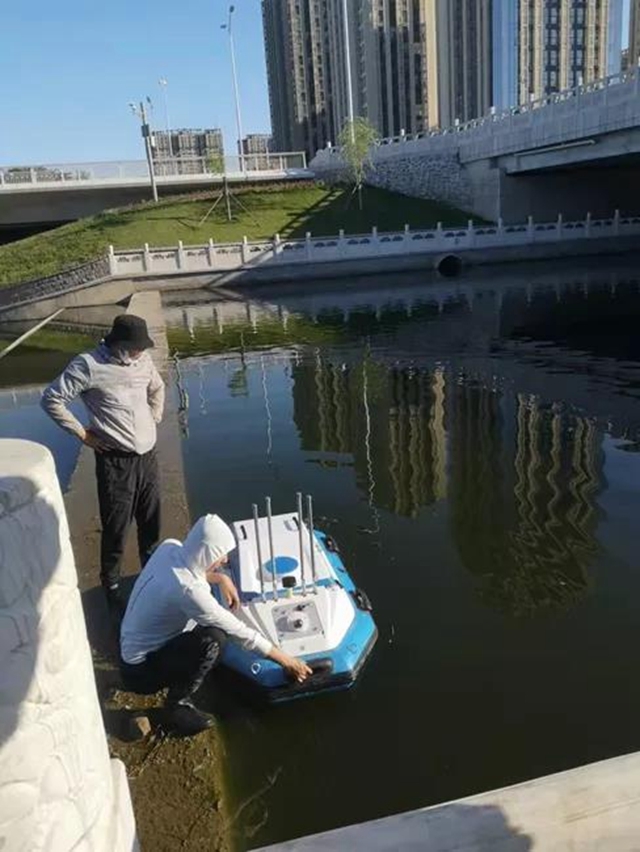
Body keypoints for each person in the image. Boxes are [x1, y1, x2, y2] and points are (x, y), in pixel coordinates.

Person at [119, 514, 312, 735]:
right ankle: (176, 705)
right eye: (221, 554)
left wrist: (221, 578)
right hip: (141, 672)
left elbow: (188, 571)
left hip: (129, 649)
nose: (226, 560)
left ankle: (178, 684)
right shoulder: (189, 591)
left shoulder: (169, 547)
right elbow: (240, 632)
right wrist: (287, 661)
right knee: (214, 640)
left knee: (205, 631)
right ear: (207, 553)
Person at [41, 314, 164, 612]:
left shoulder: (144, 361)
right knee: (116, 526)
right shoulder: (88, 365)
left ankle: (152, 572)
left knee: (151, 520)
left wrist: (154, 416)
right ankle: (112, 585)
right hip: (115, 462)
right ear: (119, 344)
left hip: (147, 458)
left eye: (142, 347)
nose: (140, 352)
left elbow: (157, 387)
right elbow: (52, 399)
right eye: (135, 347)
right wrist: (82, 434)